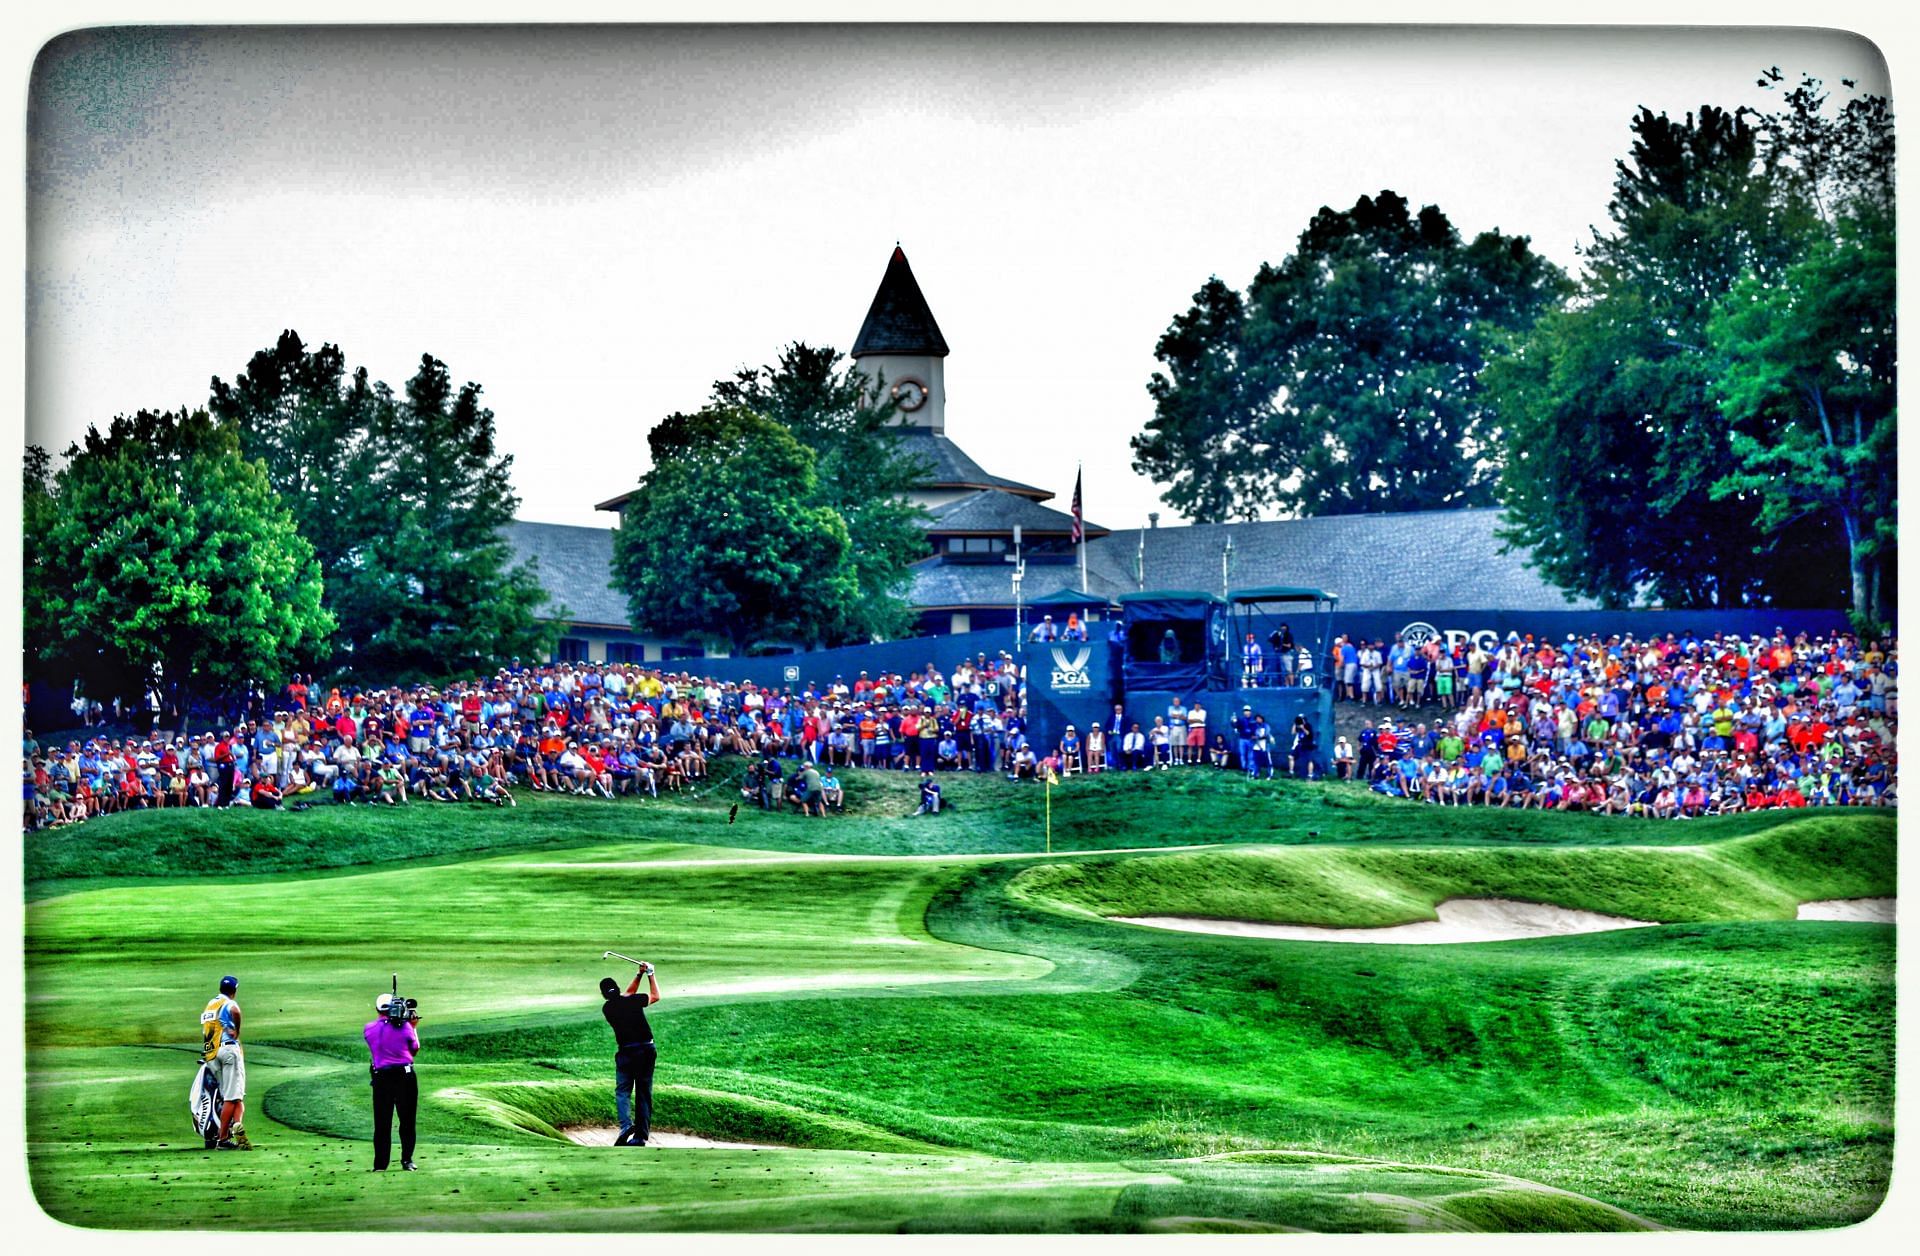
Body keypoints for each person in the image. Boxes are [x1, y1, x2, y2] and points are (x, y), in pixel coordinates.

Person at [601, 961, 661, 1147]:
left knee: (622, 1091)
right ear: (618, 989)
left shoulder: (608, 1008)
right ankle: (640, 1137)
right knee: (643, 1093)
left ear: (604, 995)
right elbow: (655, 996)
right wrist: (650, 973)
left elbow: (624, 996)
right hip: (645, 1051)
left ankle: (626, 1126)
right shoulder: (633, 1001)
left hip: (626, 1053)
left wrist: (639, 974)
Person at [365, 992, 422, 1171]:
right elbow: (414, 1049)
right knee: (407, 1121)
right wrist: (413, 1026)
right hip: (404, 1077)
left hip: (381, 1078)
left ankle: (380, 1164)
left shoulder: (368, 1028)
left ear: (377, 1009)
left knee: (382, 1123)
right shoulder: (405, 1027)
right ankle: (407, 1160)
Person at [199, 975, 250, 1150]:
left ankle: (236, 1126)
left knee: (235, 1097)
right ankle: (223, 1139)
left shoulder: (211, 1004)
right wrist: (237, 1030)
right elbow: (235, 1011)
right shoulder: (229, 1003)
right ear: (234, 990)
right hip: (228, 1050)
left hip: (212, 1054)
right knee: (231, 1097)